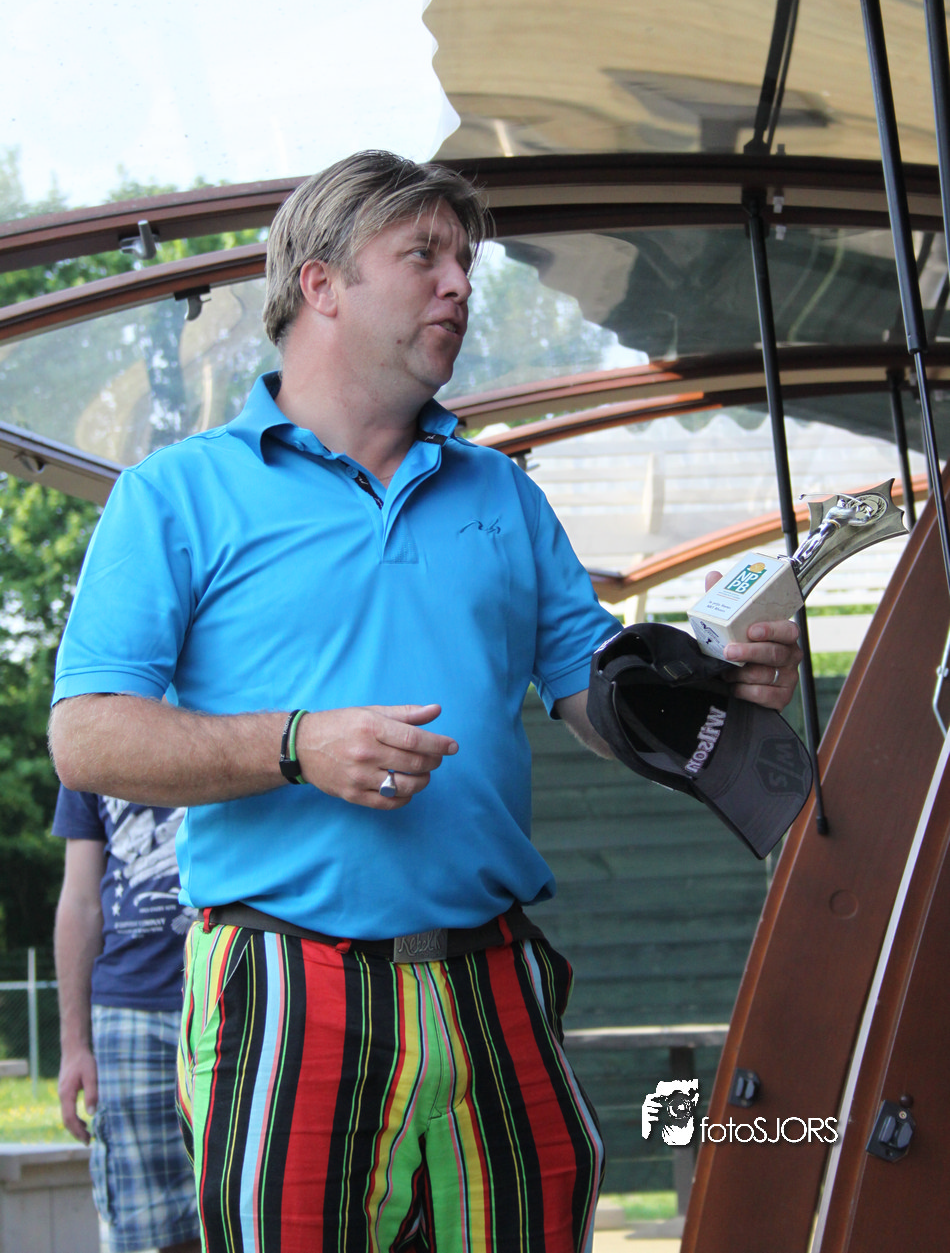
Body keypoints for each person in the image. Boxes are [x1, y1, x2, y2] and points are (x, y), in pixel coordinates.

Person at [48, 150, 801, 1253]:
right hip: (285, 982)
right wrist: (299, 744)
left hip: (493, 977)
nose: (459, 284)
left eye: (465, 262)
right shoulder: (177, 493)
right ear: (320, 283)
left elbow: (592, 692)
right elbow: (85, 736)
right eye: (424, 257)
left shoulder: (501, 490)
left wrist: (705, 675)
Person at [52, 788, 201, 1253]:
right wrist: (74, 1046)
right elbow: (80, 900)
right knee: (154, 1228)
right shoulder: (93, 743)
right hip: (131, 1008)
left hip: (241, 985)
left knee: (255, 1207)